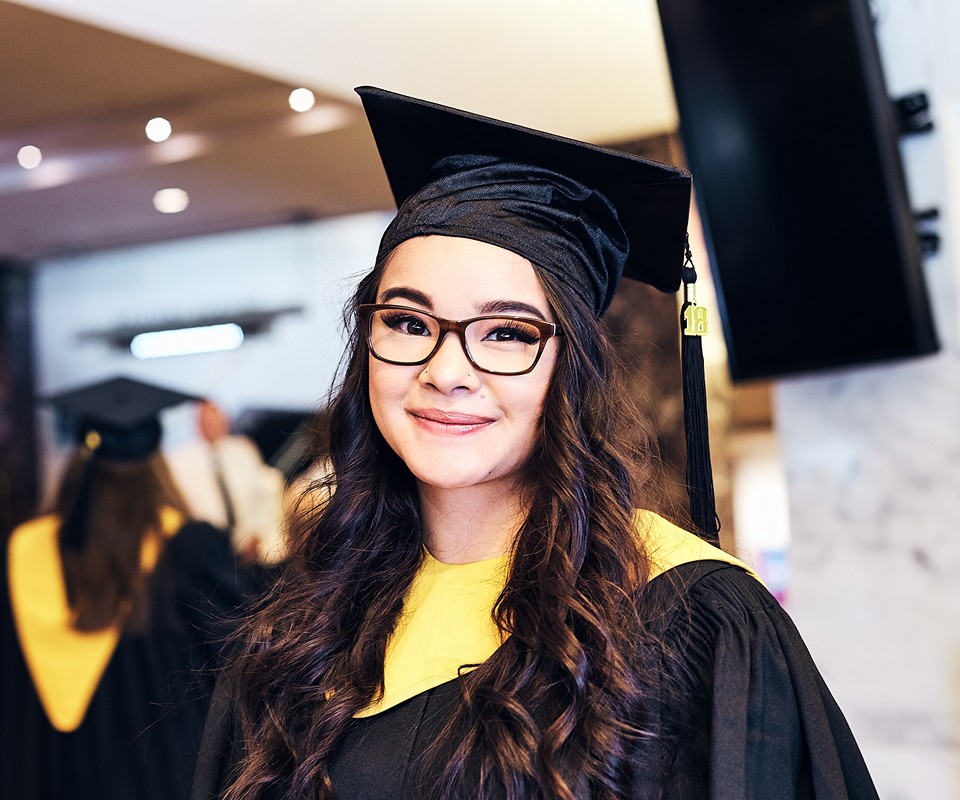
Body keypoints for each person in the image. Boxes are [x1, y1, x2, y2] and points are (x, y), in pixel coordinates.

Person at [191, 87, 880, 799]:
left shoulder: (688, 619)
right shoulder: (304, 622)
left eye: (508, 333)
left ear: (573, 369)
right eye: (407, 322)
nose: (446, 372)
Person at [0, 376, 252, 800]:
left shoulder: (22, 549)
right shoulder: (187, 548)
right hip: (161, 776)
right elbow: (241, 649)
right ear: (156, 461)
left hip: (44, 777)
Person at [166, 398, 289, 565]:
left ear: (225, 420)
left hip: (250, 547)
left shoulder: (243, 450)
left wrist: (256, 537)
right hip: (210, 550)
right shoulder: (179, 462)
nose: (209, 423)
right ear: (196, 422)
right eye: (204, 417)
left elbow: (261, 497)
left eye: (214, 416)